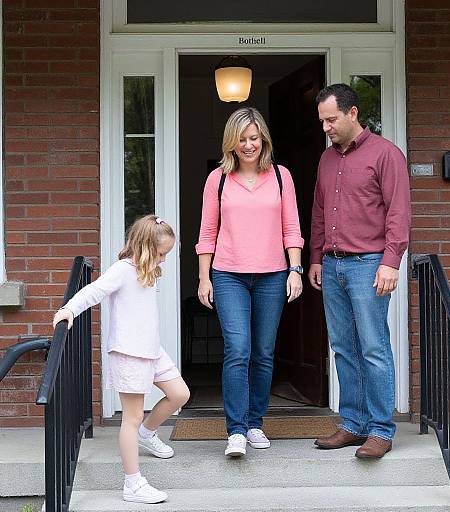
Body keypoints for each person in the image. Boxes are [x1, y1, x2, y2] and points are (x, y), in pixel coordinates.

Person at [53, 215, 190, 504]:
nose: (164, 259)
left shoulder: (147, 272)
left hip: (152, 350)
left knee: (179, 394)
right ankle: (133, 483)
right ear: (145, 248)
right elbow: (94, 291)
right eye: (162, 253)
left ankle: (147, 433)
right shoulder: (123, 270)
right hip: (129, 353)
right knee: (132, 416)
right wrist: (69, 309)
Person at [309, 84, 411, 459]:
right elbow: (319, 212)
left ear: (352, 114)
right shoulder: (326, 160)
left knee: (373, 347)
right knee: (343, 348)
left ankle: (381, 430)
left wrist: (390, 261)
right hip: (333, 263)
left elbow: (399, 213)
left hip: (369, 264)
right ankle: (353, 424)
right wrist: (316, 257)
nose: (326, 127)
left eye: (331, 119)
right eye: (322, 121)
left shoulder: (386, 155)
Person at [196, 107, 304, 457]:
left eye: (254, 138)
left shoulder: (282, 177)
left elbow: (292, 228)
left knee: (263, 352)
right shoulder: (219, 179)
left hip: (273, 274)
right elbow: (207, 231)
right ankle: (236, 431)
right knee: (238, 350)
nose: (248, 145)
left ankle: (256, 423)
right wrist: (203, 277)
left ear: (264, 140)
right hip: (228, 275)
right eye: (241, 139)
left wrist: (295, 269)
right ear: (231, 142)